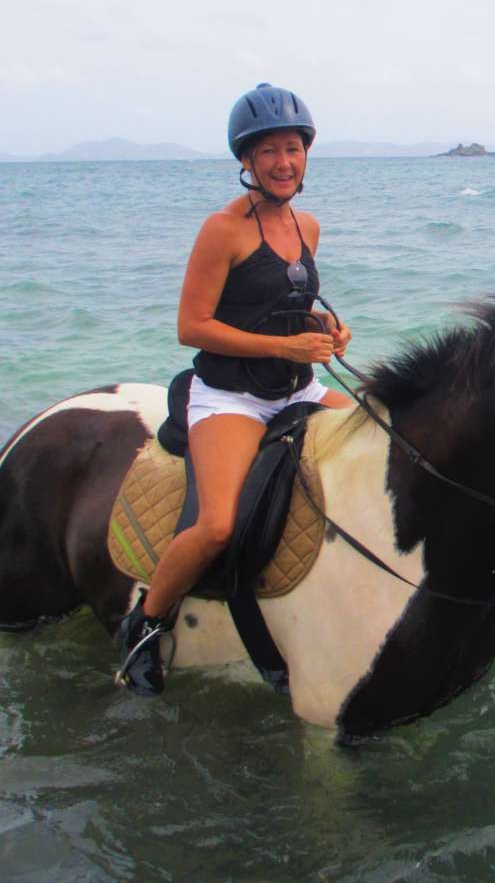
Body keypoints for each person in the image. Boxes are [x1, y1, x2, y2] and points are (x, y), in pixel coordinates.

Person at [115, 83, 353, 696]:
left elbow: (285, 307)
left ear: (306, 155)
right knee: (216, 525)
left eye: (293, 148)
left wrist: (324, 327)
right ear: (246, 161)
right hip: (231, 397)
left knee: (381, 437)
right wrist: (283, 347)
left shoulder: (308, 226)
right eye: (268, 150)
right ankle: (143, 624)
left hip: (297, 386)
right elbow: (190, 327)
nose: (283, 162)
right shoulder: (222, 230)